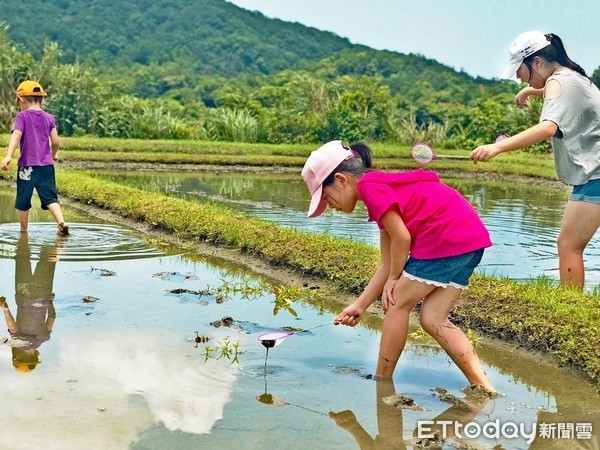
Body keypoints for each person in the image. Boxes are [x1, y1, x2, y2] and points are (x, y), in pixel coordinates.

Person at [301, 140, 495, 392]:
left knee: (395, 303)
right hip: (469, 241)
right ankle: (484, 387)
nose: (330, 207)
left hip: (444, 238)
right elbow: (388, 261)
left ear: (341, 180)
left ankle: (382, 382)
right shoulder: (381, 188)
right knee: (433, 318)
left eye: (326, 197)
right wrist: (360, 305)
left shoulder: (371, 188)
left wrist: (394, 280)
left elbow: (402, 240)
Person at [470, 31, 600, 288]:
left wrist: (497, 148)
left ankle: (571, 310)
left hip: (595, 175)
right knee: (570, 243)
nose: (519, 78)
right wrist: (530, 91)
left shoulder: (559, 83)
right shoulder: (574, 78)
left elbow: (547, 128)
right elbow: (558, 92)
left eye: (521, 71)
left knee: (568, 245)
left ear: (537, 63)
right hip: (593, 172)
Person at [1, 80, 69, 236]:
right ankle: (61, 222)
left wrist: (8, 156)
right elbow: (56, 141)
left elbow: (17, 135)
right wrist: (53, 154)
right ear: (43, 99)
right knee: (51, 197)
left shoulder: (22, 116)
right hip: (46, 167)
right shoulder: (49, 118)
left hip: (27, 167)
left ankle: (23, 231)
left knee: (23, 199)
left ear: (22, 99)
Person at [0, 233, 60, 372]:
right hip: (24, 293)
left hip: (42, 293)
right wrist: (5, 309)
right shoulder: (17, 341)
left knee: (48, 260)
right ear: (17, 355)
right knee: (22, 260)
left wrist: (49, 301)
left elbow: (52, 317)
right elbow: (13, 327)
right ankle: (23, 236)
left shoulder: (44, 338)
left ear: (35, 357)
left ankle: (52, 238)